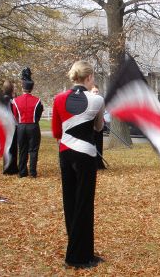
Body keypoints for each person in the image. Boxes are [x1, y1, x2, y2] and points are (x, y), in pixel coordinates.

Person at [52, 60, 105, 269]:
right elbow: (99, 128)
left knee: (70, 202)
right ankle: (79, 256)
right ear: (90, 77)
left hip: (65, 153)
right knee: (85, 203)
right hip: (85, 155)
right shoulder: (97, 100)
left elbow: (56, 132)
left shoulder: (58, 99)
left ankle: (80, 251)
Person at [12, 68, 43, 178]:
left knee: (22, 149)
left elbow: (15, 114)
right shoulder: (37, 100)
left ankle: (22, 172)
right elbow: (39, 114)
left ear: (22, 87)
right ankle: (33, 173)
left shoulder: (15, 100)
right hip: (33, 126)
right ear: (32, 88)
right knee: (33, 150)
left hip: (21, 126)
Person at [2, 80, 19, 175]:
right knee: (13, 147)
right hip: (12, 125)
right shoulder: (12, 101)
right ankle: (12, 168)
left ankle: (6, 167)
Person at [91, 85, 106, 170]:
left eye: (97, 91)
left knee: (99, 145)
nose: (96, 93)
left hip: (99, 126)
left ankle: (99, 163)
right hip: (90, 127)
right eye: (94, 92)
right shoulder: (88, 100)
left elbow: (102, 111)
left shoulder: (100, 100)